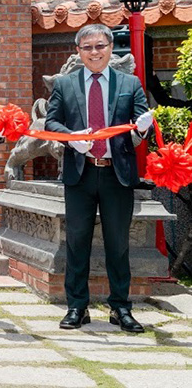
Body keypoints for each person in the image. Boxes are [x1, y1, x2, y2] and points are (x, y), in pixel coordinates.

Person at [45, 24, 153, 333]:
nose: (95, 51)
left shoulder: (129, 83)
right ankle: (77, 306)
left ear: (110, 48)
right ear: (78, 52)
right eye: (88, 47)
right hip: (80, 173)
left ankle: (120, 307)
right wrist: (69, 137)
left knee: (118, 243)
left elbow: (139, 123)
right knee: (77, 241)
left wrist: (144, 127)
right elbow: (52, 121)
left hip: (116, 174)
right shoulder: (65, 85)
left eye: (100, 45)